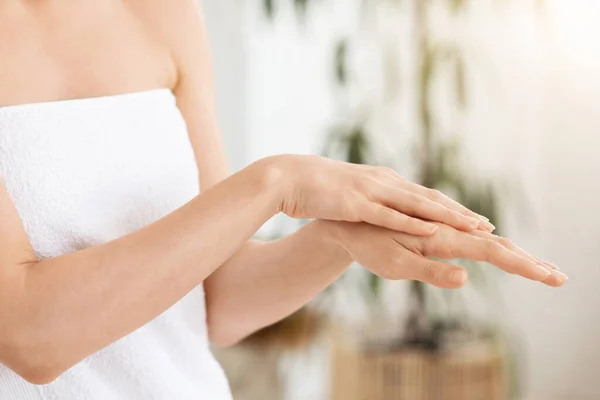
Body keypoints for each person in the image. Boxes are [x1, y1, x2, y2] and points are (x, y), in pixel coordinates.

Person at [0, 0, 566, 399]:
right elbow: (31, 336)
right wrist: (274, 184)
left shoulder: (163, 12)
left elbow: (213, 300)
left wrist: (336, 237)